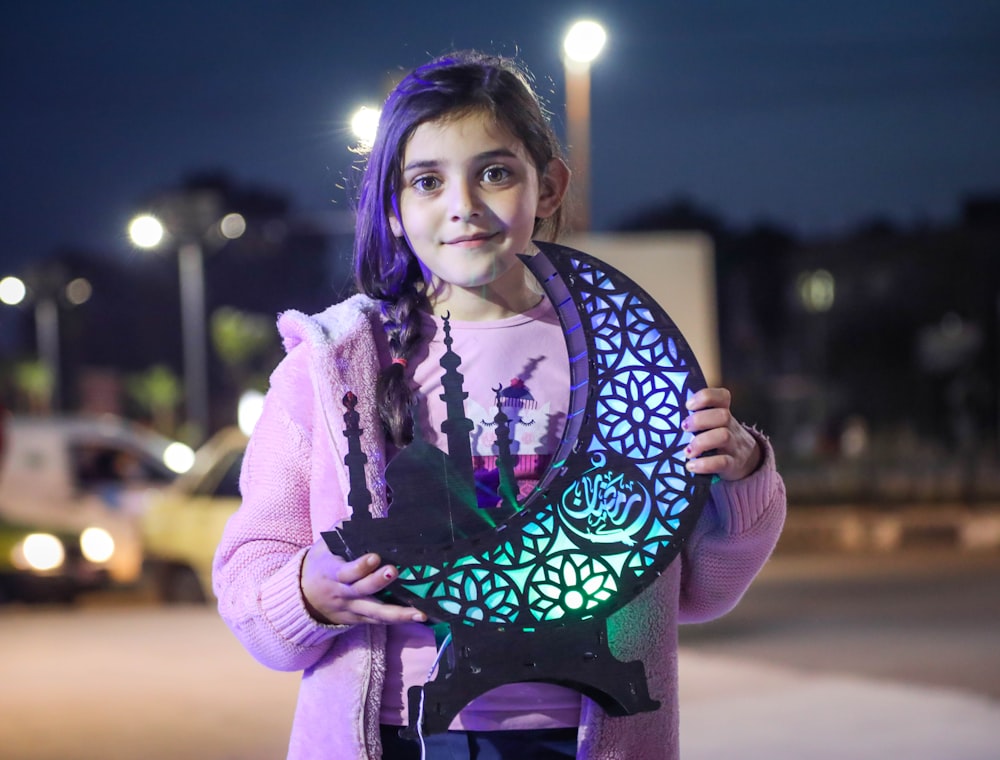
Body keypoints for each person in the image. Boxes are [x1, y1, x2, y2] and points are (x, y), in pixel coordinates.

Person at [213, 50, 786, 760]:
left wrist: (743, 475)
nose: (464, 205)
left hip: (583, 739)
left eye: (495, 172)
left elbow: (701, 592)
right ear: (391, 209)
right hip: (393, 736)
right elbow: (249, 572)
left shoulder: (628, 356)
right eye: (428, 181)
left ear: (548, 187)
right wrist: (305, 592)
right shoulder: (329, 369)